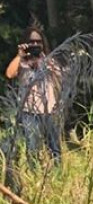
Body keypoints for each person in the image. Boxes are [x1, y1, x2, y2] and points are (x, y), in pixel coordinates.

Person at [4, 26, 61, 160]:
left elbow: (59, 77)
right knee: (32, 148)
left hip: (49, 111)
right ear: (26, 43)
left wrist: (45, 59)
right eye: (32, 41)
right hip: (29, 111)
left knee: (55, 149)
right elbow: (9, 74)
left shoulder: (48, 60)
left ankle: (57, 174)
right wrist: (20, 55)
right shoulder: (22, 62)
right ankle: (34, 175)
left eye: (38, 41)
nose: (35, 44)